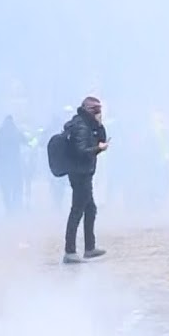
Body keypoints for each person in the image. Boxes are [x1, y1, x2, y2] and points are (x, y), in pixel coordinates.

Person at [61, 96, 109, 263]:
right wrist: (98, 149)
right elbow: (81, 151)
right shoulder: (81, 126)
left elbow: (101, 137)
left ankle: (89, 247)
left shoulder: (88, 124)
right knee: (77, 210)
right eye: (97, 112)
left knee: (90, 209)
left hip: (84, 172)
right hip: (80, 174)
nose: (99, 114)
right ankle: (70, 251)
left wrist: (100, 125)